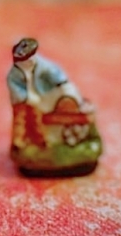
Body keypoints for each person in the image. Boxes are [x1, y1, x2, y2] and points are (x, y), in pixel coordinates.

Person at [6, 37, 102, 176]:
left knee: (39, 121)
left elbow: (57, 74)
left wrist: (62, 85)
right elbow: (15, 89)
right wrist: (27, 98)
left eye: (31, 57)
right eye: (25, 59)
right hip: (24, 102)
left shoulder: (43, 66)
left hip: (45, 96)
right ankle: (21, 143)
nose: (30, 61)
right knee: (22, 122)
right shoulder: (13, 75)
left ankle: (41, 140)